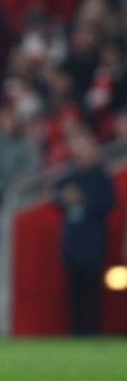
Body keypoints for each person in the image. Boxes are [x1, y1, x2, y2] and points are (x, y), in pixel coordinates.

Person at [55, 129, 115, 335]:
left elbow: (108, 205)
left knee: (93, 293)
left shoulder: (101, 176)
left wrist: (82, 201)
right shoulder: (70, 175)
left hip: (93, 243)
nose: (79, 151)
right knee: (74, 294)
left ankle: (93, 333)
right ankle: (77, 333)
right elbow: (56, 197)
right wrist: (64, 198)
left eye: (83, 146)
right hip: (72, 243)